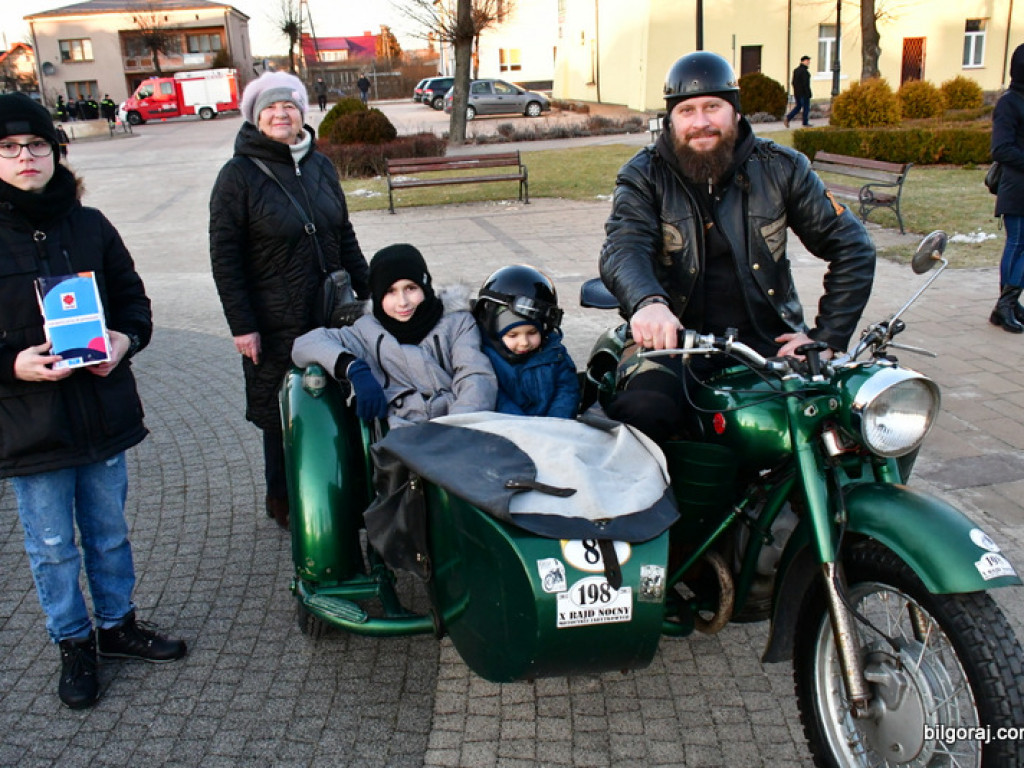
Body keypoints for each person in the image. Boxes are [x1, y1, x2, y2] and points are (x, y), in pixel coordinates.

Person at [0, 93, 187, 710]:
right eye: (8, 147)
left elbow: (135, 303)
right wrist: (11, 365)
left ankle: (117, 626)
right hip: (31, 425)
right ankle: (73, 643)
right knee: (53, 547)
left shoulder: (92, 225)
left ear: (56, 152)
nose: (25, 157)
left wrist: (125, 340)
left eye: (36, 145)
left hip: (103, 410)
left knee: (108, 533)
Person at [600, 51, 875, 442]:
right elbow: (623, 246)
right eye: (687, 110)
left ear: (736, 112)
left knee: (842, 415)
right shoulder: (644, 174)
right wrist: (649, 302)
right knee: (643, 408)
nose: (701, 122)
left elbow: (852, 245)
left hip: (769, 339)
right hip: (674, 341)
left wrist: (828, 337)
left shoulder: (783, 168)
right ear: (671, 119)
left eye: (713, 107)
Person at [209, 70, 370, 529]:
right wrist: (242, 325)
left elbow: (344, 235)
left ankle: (339, 491)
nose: (281, 115)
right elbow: (225, 257)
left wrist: (372, 296)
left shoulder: (321, 166)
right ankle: (284, 500)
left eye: (290, 106)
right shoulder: (237, 176)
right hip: (274, 320)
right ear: (255, 117)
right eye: (271, 108)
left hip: (331, 313)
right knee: (283, 413)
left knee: (337, 399)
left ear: (302, 112)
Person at [291, 243, 498, 428]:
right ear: (378, 296)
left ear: (425, 286)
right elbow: (305, 344)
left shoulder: (456, 322)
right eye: (390, 291)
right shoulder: (366, 331)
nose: (403, 302)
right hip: (398, 435)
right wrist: (353, 368)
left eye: (411, 288)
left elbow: (475, 376)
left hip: (456, 425)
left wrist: (456, 428)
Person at [473, 265, 579, 418]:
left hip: (552, 427)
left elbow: (567, 390)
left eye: (532, 333)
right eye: (513, 335)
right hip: (508, 427)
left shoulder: (554, 354)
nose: (524, 342)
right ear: (494, 333)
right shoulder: (485, 360)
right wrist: (522, 426)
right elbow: (495, 397)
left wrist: (556, 421)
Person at [989, 43, 1024, 334]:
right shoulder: (1010, 102)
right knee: (1017, 243)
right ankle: (1006, 304)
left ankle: (1009, 304)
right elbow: (1001, 148)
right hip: (1017, 186)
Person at [784, 55, 812, 128]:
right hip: (804, 93)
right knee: (806, 108)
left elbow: (793, 82)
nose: (809, 62)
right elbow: (805, 84)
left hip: (797, 93)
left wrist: (796, 90)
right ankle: (805, 122)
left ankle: (788, 118)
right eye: (807, 61)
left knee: (798, 107)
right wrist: (808, 93)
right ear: (803, 61)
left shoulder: (796, 70)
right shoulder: (804, 72)